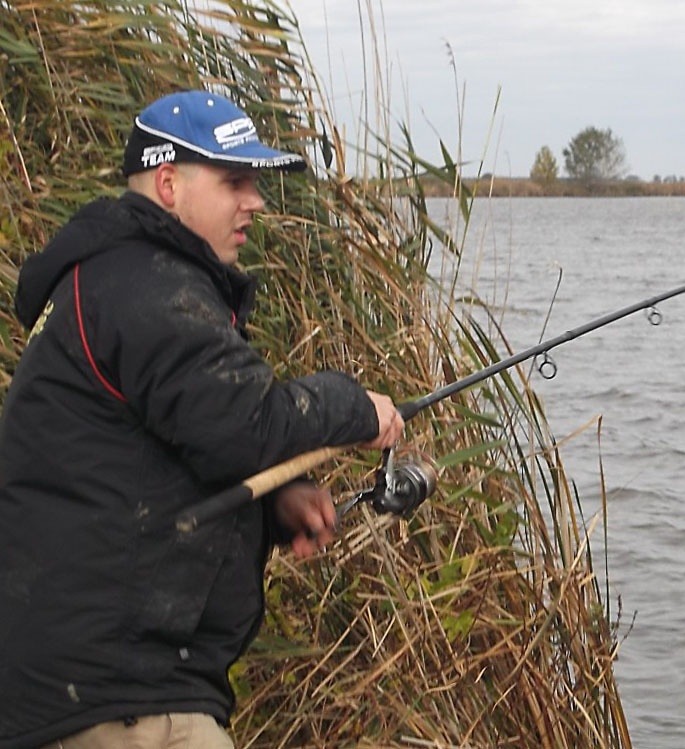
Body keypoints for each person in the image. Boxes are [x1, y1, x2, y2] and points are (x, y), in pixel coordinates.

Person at [0, 90, 405, 749]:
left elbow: (161, 458)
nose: (256, 202)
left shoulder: (123, 277)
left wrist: (275, 501)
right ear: (168, 184)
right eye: (235, 181)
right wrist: (357, 407)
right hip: (114, 694)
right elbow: (249, 423)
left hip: (99, 681)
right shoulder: (146, 286)